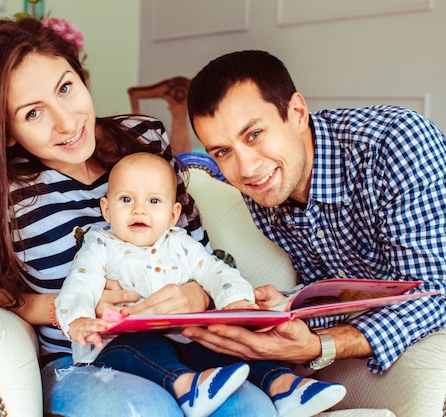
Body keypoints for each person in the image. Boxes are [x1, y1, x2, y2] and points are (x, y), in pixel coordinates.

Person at [0, 19, 278, 417]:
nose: (67, 122)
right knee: (146, 410)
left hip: (183, 344)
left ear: (82, 78)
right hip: (82, 361)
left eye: (66, 88)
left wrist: (196, 295)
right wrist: (67, 308)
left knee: (249, 407)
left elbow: (197, 250)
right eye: (33, 114)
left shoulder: (145, 139)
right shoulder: (3, 191)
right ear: (7, 130)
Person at [184, 50, 446, 379]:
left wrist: (320, 345)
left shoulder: (395, 144)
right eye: (223, 151)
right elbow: (334, 290)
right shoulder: (267, 182)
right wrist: (284, 309)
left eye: (254, 135)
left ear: (296, 112)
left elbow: (436, 290)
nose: (246, 168)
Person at [56, 152, 346, 417]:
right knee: (136, 348)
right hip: (121, 344)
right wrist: (78, 318)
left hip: (186, 337)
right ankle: (185, 386)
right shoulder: (101, 244)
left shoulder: (180, 243)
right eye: (126, 200)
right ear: (106, 210)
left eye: (153, 201)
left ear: (172, 215)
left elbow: (215, 271)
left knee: (223, 346)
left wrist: (235, 301)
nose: (139, 210)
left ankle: (284, 386)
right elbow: (81, 282)